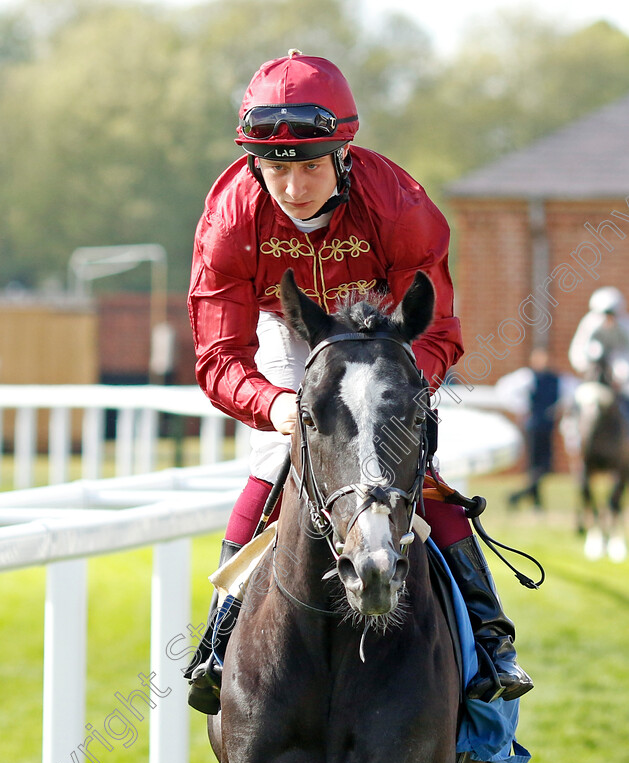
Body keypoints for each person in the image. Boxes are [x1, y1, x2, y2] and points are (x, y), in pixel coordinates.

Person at [185, 50, 533, 714]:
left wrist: (400, 394)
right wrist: (274, 404)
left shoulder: (398, 204)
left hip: (379, 328)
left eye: (310, 167)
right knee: (270, 456)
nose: (292, 189)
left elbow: (435, 329)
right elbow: (218, 357)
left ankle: (491, 638)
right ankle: (218, 636)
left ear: (343, 154)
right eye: (276, 169)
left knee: (402, 459)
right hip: (288, 329)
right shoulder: (229, 219)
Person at [498, 348, 563, 510]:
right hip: (533, 427)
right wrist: (522, 408)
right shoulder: (526, 377)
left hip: (547, 427)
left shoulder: (556, 379)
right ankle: (530, 501)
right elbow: (504, 390)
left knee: (543, 466)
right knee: (536, 466)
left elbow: (568, 395)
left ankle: (526, 499)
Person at [569, 286, 629, 415]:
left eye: (611, 314)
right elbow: (578, 351)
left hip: (619, 381)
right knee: (577, 399)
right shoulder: (590, 325)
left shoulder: (624, 327)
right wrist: (587, 366)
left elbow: (625, 353)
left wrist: (621, 376)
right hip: (593, 375)